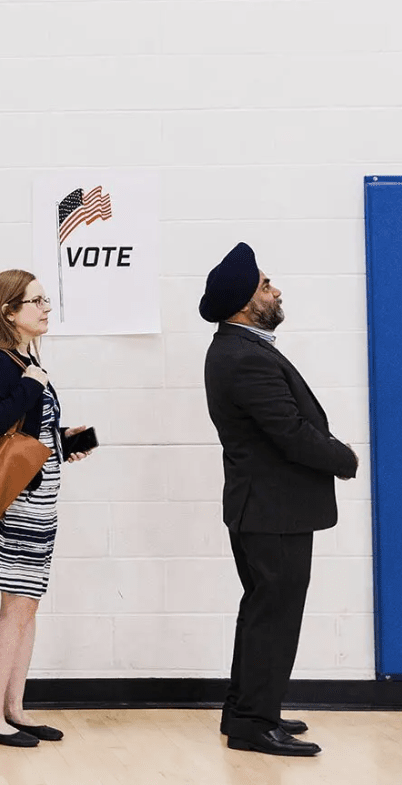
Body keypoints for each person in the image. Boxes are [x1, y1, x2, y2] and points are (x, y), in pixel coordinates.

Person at [200, 243, 357, 757]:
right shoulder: (244, 356)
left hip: (265, 508)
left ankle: (246, 710)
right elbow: (288, 432)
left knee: (263, 611)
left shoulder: (240, 348)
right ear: (247, 302)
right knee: (275, 615)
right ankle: (253, 721)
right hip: (272, 510)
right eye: (267, 284)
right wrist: (342, 457)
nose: (276, 289)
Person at [0, 270, 95, 748]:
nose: (46, 307)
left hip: (38, 501)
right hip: (17, 504)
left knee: (27, 609)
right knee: (15, 610)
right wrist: (29, 385)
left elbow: (22, 436)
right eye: (36, 301)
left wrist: (64, 443)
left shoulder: (24, 361)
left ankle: (12, 709)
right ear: (8, 311)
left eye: (45, 300)